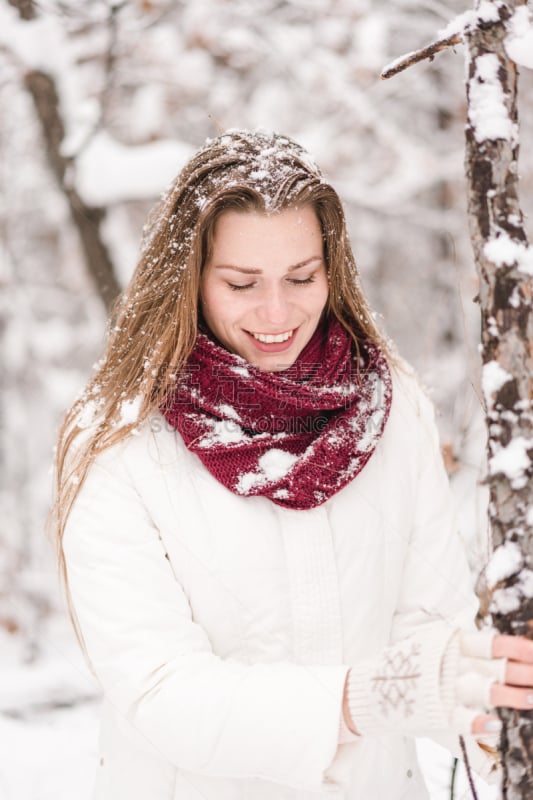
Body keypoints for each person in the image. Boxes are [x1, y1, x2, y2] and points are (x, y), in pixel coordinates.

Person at [52, 129, 533, 800]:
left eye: (301, 277)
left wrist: (493, 710)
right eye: (241, 283)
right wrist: (358, 698)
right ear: (188, 279)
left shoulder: (386, 408)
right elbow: (160, 689)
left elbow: (429, 625)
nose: (277, 312)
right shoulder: (119, 441)